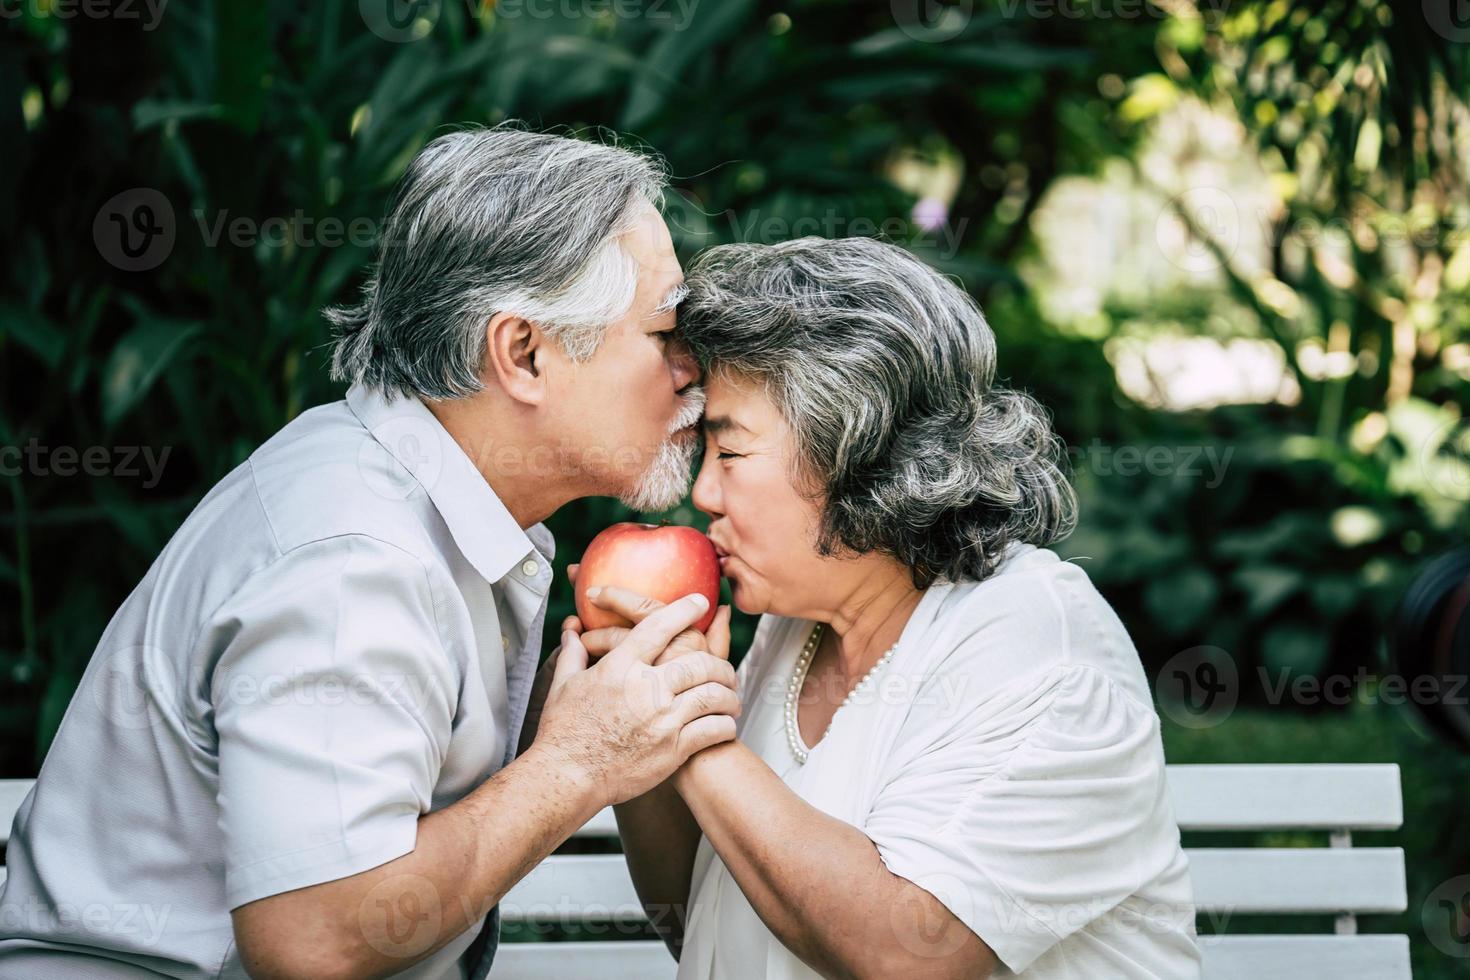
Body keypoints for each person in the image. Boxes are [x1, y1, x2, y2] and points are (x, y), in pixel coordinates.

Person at [0, 127, 740, 979]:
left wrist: (581, 716)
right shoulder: (353, 559)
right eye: (663, 330)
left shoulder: (404, 490)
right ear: (524, 353)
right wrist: (575, 762)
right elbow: (314, 943)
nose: (694, 366)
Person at [577, 236, 1202, 978]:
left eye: (732, 452)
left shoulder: (1040, 644)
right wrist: (646, 726)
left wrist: (690, 724)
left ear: (859, 453)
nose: (702, 494)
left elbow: (907, 953)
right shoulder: (798, 622)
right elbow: (701, 907)